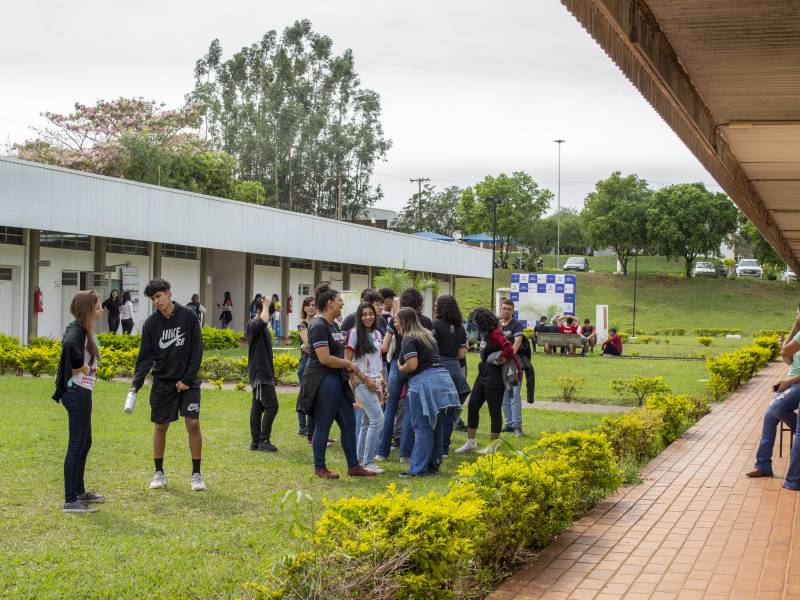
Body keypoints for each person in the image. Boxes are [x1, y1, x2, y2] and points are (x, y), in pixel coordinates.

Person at [130, 278, 205, 491]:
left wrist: (188, 379)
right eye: (153, 299)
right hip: (163, 382)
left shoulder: (188, 316)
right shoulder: (151, 324)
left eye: (159, 296)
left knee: (193, 423)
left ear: (169, 293)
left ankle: (197, 474)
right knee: (161, 426)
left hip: (188, 382)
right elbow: (145, 357)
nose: (156, 301)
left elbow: (196, 349)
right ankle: (159, 472)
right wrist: (136, 384)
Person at [297, 283, 376, 479]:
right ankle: (320, 467)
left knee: (349, 423)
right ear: (330, 302)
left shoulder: (333, 325)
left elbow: (339, 353)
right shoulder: (317, 325)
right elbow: (324, 358)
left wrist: (349, 373)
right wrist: (352, 366)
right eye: (339, 300)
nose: (342, 303)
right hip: (323, 380)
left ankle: (353, 466)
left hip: (337, 379)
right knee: (323, 424)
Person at [52, 291, 104, 513]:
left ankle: (80, 492)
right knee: (76, 445)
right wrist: (80, 368)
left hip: (83, 392)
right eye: (99, 306)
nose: (101, 309)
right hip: (76, 393)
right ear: (89, 309)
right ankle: (70, 500)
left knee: (85, 442)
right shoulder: (76, 333)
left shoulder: (84, 330)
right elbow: (68, 353)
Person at [395, 307, 460, 477]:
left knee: (422, 426)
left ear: (404, 322)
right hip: (442, 381)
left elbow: (412, 365)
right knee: (436, 426)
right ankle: (433, 466)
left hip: (424, 384)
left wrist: (400, 367)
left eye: (396, 320)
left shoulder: (408, 338)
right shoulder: (427, 336)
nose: (395, 324)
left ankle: (417, 469)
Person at [377, 288, 434, 462]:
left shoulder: (396, 319)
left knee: (389, 409)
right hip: (416, 368)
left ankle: (382, 452)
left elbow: (385, 346)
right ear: (419, 302)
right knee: (410, 410)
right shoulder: (426, 321)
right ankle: (405, 454)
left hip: (396, 364)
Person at [747, 304, 800, 487]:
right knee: (770, 416)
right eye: (796, 313)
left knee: (775, 407)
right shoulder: (798, 337)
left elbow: (785, 352)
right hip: (792, 383)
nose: (797, 316)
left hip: (796, 384)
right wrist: (786, 340)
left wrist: (788, 382)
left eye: (799, 313)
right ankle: (763, 465)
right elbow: (787, 358)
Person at [456, 307, 520, 455]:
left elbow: (509, 349)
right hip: (483, 373)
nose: (473, 323)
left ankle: (493, 446)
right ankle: (471, 442)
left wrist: (501, 357)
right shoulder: (484, 333)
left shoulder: (495, 332)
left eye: (475, 320)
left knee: (494, 410)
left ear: (481, 321)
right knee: (472, 405)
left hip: (495, 376)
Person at [345, 302, 386, 473]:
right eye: (364, 314)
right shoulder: (354, 333)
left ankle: (360, 459)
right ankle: (369, 462)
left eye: (371, 314)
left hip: (376, 381)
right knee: (378, 420)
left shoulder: (377, 333)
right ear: (359, 317)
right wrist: (364, 378)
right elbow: (347, 361)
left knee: (367, 421)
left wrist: (383, 381)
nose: (368, 317)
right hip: (362, 383)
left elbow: (379, 360)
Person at [432, 294, 470, 456]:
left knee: (439, 410)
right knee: (451, 410)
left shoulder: (434, 325)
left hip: (439, 369)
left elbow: (431, 348)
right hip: (456, 371)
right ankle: (444, 447)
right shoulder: (461, 328)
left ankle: (438, 447)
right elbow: (462, 354)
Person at [246, 296, 279, 452]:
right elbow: (263, 320)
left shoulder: (261, 327)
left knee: (258, 406)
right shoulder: (254, 324)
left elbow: (265, 321)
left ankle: (255, 442)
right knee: (272, 406)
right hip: (260, 373)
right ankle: (263, 440)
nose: (270, 318)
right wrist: (265, 305)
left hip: (263, 372)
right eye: (269, 314)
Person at [498, 298, 534, 436]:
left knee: (514, 395)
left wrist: (507, 357)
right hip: (498, 365)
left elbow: (517, 343)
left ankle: (517, 426)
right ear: (500, 309)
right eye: (504, 308)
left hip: (513, 365)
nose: (506, 311)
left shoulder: (517, 325)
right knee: (504, 396)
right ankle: (508, 424)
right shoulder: (497, 325)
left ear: (513, 311)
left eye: (509, 309)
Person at [295, 296, 316, 437]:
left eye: (314, 305)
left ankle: (310, 427)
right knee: (304, 396)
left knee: (313, 396)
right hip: (305, 363)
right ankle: (303, 427)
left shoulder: (320, 322)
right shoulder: (302, 325)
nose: (311, 307)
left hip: (315, 362)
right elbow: (308, 343)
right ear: (304, 308)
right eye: (309, 305)